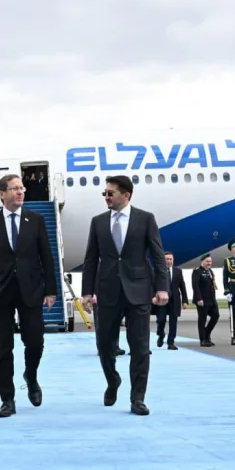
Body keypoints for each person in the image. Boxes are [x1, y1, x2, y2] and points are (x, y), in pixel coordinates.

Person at [81, 175, 168, 415]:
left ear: (126, 195)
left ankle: (137, 398)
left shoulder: (145, 219)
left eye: (110, 193)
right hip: (107, 291)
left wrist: (162, 287)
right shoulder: (98, 222)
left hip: (138, 292)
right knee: (104, 345)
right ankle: (112, 381)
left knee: (140, 347)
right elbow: (90, 259)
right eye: (105, 193)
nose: (106, 197)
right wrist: (87, 292)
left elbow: (158, 255)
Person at [0, 173, 57, 418]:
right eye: (14, 189)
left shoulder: (36, 220)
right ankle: (7, 399)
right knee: (3, 348)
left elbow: (46, 256)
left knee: (35, 343)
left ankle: (31, 377)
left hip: (31, 290)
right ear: (2, 194)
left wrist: (51, 290)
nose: (20, 192)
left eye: (21, 188)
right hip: (0, 293)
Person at [192, 254, 219, 346]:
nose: (209, 263)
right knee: (202, 320)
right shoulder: (197, 272)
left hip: (211, 300)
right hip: (202, 300)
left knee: (216, 316)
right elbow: (195, 286)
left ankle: (206, 333)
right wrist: (199, 298)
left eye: (210, 261)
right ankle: (203, 340)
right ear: (202, 261)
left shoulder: (210, 271)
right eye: (207, 261)